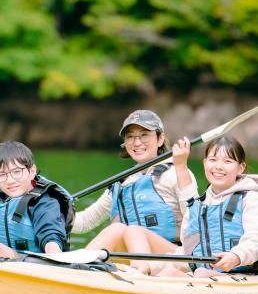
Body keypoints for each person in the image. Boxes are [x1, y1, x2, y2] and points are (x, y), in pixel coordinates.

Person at [121, 135, 258, 277]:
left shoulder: (252, 199)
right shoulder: (198, 206)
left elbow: (257, 241)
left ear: (240, 167)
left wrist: (236, 256)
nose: (218, 166)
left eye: (227, 161)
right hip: (206, 278)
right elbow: (186, 252)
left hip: (248, 277)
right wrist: (148, 267)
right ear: (205, 163)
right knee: (171, 272)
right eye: (213, 160)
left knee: (200, 273)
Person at [71, 110, 198, 257]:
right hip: (132, 257)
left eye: (144, 135)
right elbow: (84, 222)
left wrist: (181, 166)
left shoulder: (176, 172)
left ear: (160, 139)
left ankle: (83, 265)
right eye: (130, 137)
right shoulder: (124, 181)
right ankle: (79, 265)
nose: (137, 143)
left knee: (130, 230)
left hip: (172, 256)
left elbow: (194, 217)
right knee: (117, 229)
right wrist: (49, 210)